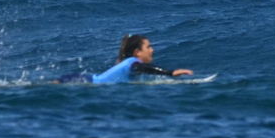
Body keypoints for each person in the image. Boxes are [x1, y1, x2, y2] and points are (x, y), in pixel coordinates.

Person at [54, 34, 193, 84]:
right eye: (148, 47)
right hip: (80, 81)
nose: (152, 50)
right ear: (137, 52)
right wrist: (170, 73)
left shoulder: (129, 63)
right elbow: (143, 68)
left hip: (81, 79)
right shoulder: (133, 63)